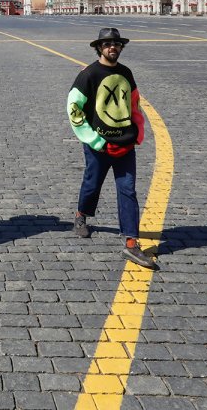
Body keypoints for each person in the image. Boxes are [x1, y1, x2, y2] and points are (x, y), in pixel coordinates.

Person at [67, 27, 158, 270]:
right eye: (107, 44)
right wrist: (94, 140)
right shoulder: (89, 74)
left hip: (125, 143)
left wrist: (137, 132)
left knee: (128, 190)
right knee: (92, 183)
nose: (112, 47)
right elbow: (74, 108)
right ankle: (81, 215)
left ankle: (131, 242)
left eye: (116, 44)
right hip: (98, 144)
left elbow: (134, 103)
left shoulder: (126, 73)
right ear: (99, 47)